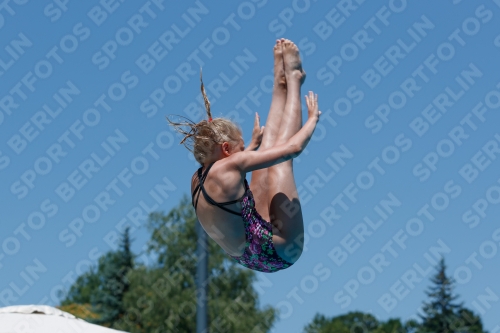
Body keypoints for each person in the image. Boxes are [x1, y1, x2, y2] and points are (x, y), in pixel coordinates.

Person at [168, 39, 321, 272]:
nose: (245, 152)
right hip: (281, 249)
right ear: (227, 150)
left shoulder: (197, 178)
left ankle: (280, 84)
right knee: (281, 165)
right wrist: (311, 120)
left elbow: (231, 167)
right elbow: (293, 148)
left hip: (251, 256)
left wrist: (249, 147)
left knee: (264, 161)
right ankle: (294, 80)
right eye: (240, 148)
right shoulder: (233, 165)